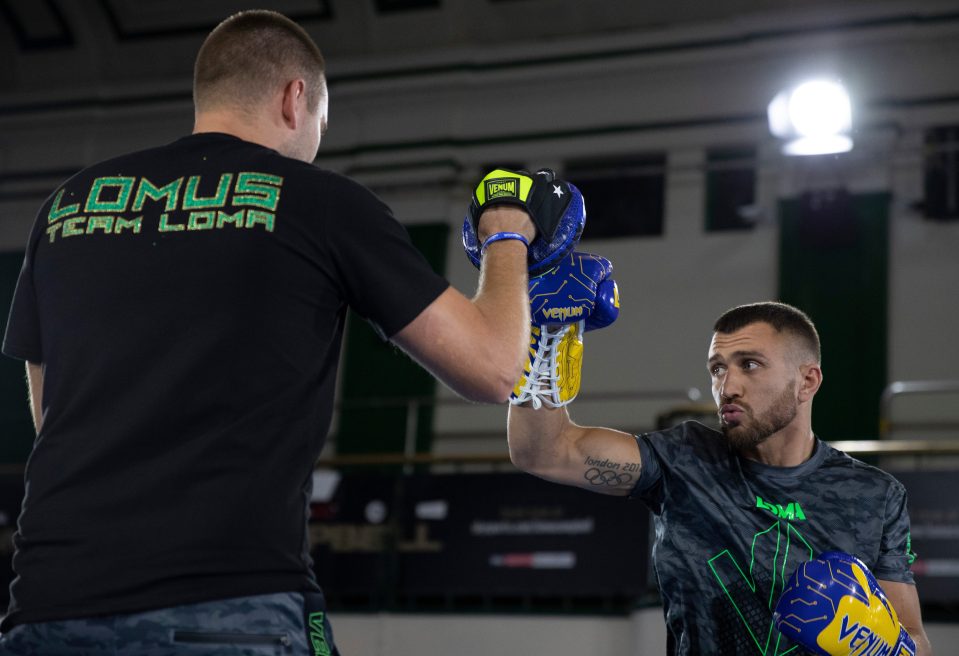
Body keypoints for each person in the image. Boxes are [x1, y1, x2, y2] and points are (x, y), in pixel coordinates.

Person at [0, 10, 548, 655]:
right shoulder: (320, 202)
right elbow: (493, 368)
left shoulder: (69, 205)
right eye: (323, 117)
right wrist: (508, 232)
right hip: (228, 606)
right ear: (295, 98)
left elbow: (50, 412)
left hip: (45, 612)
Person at [507, 300, 934, 655]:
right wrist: (549, 333)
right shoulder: (684, 460)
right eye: (717, 368)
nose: (727, 386)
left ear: (807, 382)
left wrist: (882, 646)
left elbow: (914, 638)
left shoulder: (874, 495)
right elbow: (546, 451)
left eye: (749, 364)